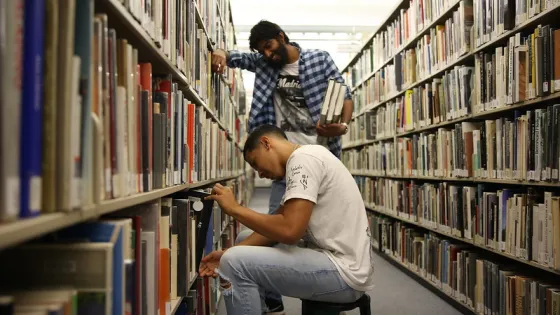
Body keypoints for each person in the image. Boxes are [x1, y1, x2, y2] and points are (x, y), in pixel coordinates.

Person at [211, 21, 354, 312]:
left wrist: (343, 126)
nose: (267, 54)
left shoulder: (318, 59)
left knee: (296, 226)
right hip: (282, 160)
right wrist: (220, 53)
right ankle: (273, 303)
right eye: (262, 51)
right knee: (273, 226)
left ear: (281, 36)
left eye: (269, 46)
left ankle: (320, 272)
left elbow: (344, 94)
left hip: (316, 151)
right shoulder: (264, 64)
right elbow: (233, 56)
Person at [200, 125, 375, 315]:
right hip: (336, 261)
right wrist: (228, 251)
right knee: (243, 242)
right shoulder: (307, 158)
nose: (259, 173)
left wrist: (234, 209)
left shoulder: (303, 161)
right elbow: (276, 225)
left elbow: (290, 232)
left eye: (255, 163)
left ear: (266, 143)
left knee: (234, 263)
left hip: (344, 274)